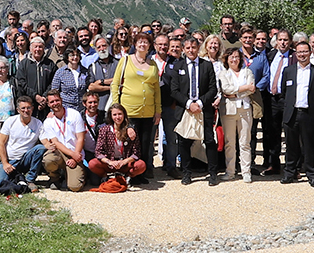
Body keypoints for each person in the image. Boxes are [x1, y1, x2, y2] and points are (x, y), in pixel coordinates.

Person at [162, 38, 217, 185]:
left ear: (198, 48)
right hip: (184, 108)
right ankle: (186, 173)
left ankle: (212, 173)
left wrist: (199, 103)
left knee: (209, 140)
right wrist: (188, 104)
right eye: (188, 48)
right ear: (183, 49)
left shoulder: (207, 65)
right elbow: (174, 90)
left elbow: (213, 88)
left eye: (193, 47)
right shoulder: (177, 66)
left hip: (203, 107)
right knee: (184, 142)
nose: (191, 50)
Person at [109, 33, 161, 181]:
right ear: (135, 44)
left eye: (146, 42)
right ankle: (126, 172)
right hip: (129, 111)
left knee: (145, 144)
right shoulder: (126, 60)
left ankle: (140, 173)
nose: (143, 45)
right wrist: (116, 105)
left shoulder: (153, 64)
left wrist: (158, 111)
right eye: (140, 42)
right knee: (129, 143)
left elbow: (156, 89)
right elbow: (115, 83)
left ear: (150, 45)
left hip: (148, 111)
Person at [279, 41, 314, 187]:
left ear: (310, 53)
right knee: (291, 146)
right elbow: (284, 92)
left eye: (305, 51)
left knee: (310, 146)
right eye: (299, 52)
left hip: (309, 114)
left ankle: (311, 175)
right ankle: (289, 173)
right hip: (292, 113)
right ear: (295, 53)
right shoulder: (288, 71)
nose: (302, 54)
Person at [218, 46, 257, 183]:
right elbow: (225, 89)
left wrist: (234, 93)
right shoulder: (223, 74)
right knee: (230, 142)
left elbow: (251, 89)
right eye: (231, 57)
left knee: (245, 142)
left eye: (236, 57)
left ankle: (246, 171)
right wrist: (244, 88)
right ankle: (230, 171)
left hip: (245, 109)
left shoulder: (247, 72)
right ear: (227, 60)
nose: (234, 59)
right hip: (229, 110)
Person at [257, 31, 293, 176]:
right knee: (272, 133)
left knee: (290, 133)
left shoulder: (294, 57)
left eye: (285, 40)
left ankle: (291, 167)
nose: (283, 43)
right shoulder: (270, 55)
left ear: (290, 41)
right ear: (276, 41)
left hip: (287, 99)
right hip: (271, 99)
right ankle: (273, 164)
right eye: (280, 40)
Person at [0, 96, 46, 194]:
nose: (26, 110)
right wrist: (5, 163)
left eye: (28, 108)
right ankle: (18, 180)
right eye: (23, 108)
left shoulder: (38, 123)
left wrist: (52, 146)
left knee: (40, 148)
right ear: (18, 110)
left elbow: (45, 142)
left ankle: (29, 179)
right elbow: (1, 143)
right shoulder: (10, 121)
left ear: (32, 108)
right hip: (11, 160)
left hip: (25, 159)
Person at [40, 90, 88, 192]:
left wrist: (75, 157)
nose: (55, 103)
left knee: (75, 187)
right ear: (48, 104)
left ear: (61, 100)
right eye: (52, 102)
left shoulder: (74, 114)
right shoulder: (48, 122)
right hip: (60, 153)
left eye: (57, 100)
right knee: (49, 159)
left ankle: (74, 173)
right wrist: (72, 154)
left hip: (76, 152)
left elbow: (81, 138)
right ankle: (55, 178)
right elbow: (56, 142)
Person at [87, 103, 146, 184]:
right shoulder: (104, 130)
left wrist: (124, 162)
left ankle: (128, 176)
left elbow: (136, 152)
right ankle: (105, 176)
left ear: (124, 115)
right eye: (114, 115)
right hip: (110, 162)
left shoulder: (131, 131)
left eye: (120, 114)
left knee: (141, 165)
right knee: (92, 164)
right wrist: (109, 162)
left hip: (125, 162)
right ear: (110, 116)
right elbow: (98, 152)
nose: (117, 117)